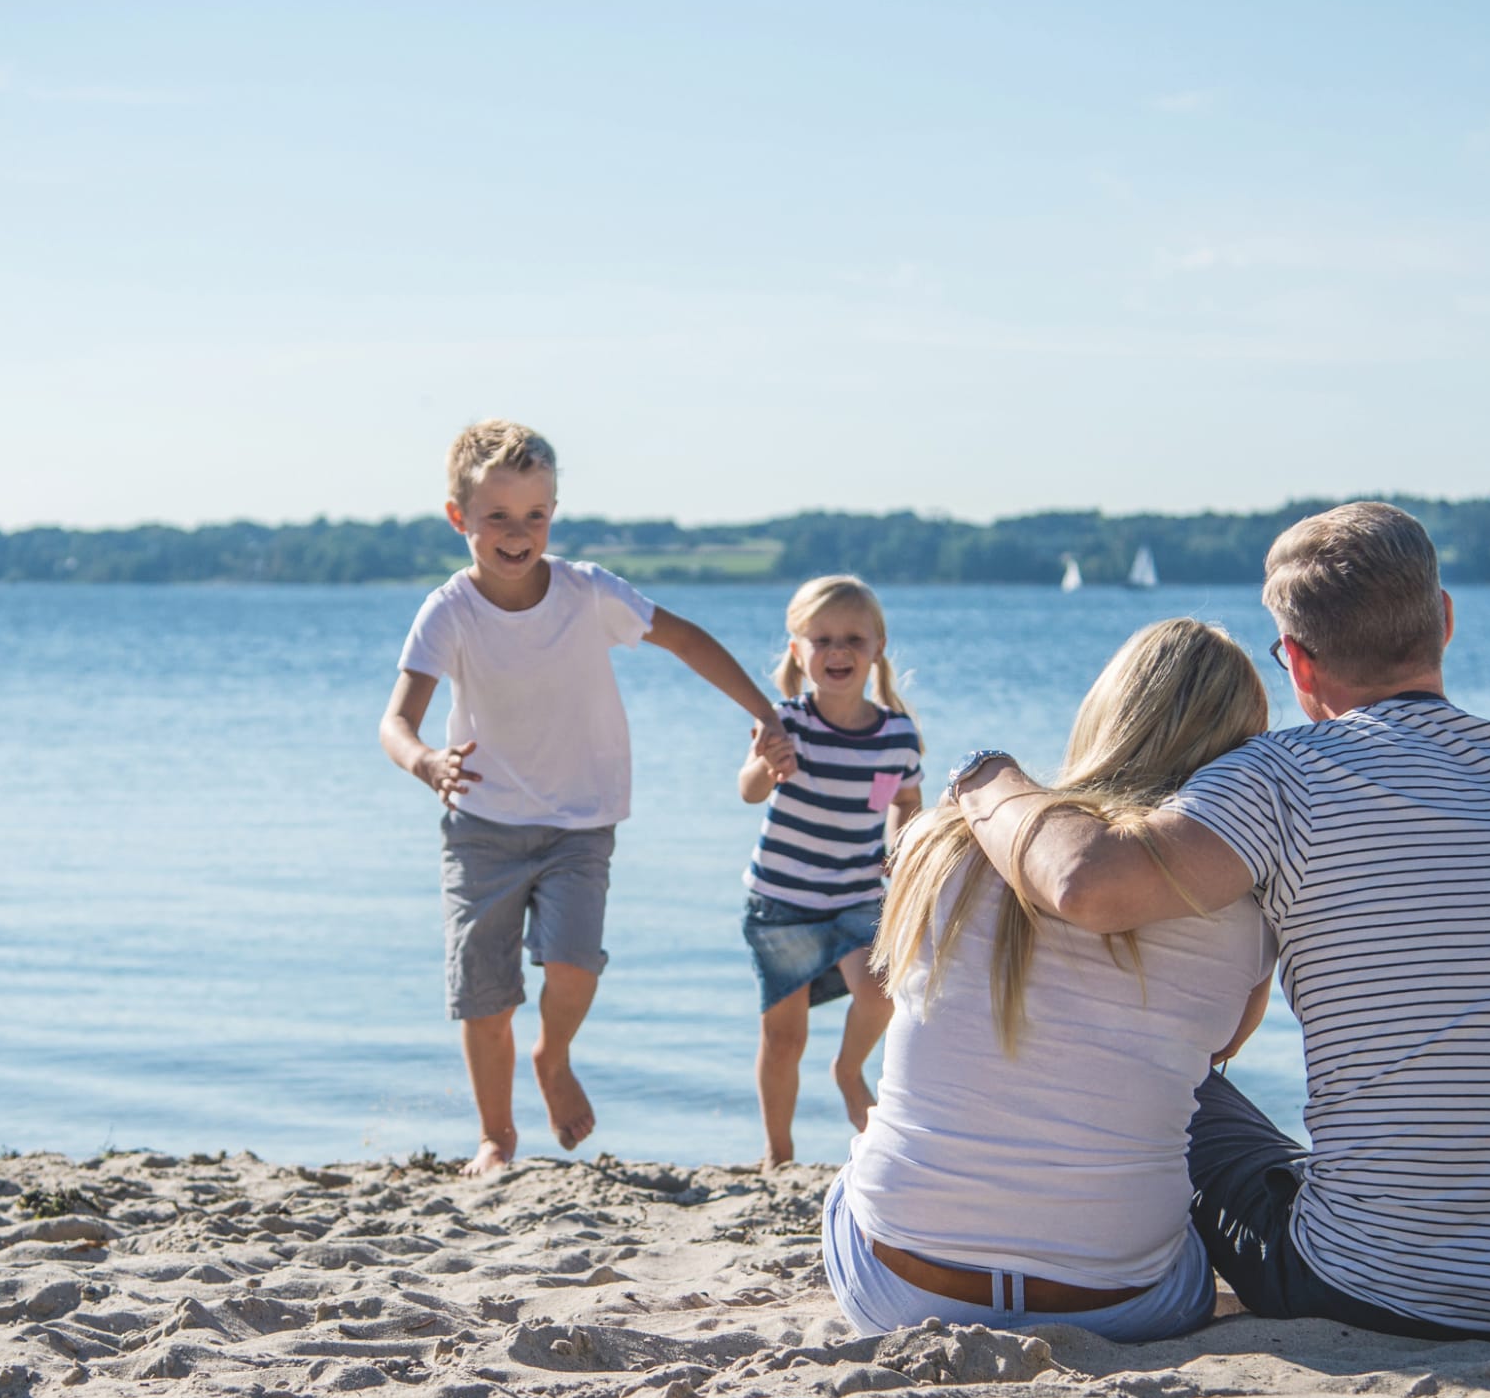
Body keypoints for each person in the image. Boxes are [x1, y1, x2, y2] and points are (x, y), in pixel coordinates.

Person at [954, 502, 1490, 1345]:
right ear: (1444, 621)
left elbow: (1085, 883)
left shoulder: (1278, 780)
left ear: (1297, 664)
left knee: (1184, 1087)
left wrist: (986, 778)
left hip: (1370, 1291)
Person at [824, 619, 1276, 1343]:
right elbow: (1221, 1054)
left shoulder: (939, 847)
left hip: (900, 1289)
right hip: (1120, 1305)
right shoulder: (1244, 916)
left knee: (857, 1177)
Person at [380, 421, 796, 1178]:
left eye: (534, 516)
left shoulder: (587, 592)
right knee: (484, 994)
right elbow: (396, 720)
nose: (517, 534)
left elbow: (687, 640)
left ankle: (555, 1053)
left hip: (580, 822)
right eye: (497, 518)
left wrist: (765, 713)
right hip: (481, 827)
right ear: (458, 519)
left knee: (575, 966)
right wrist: (426, 762)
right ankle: (496, 1139)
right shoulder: (449, 611)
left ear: (554, 514)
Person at [738, 576, 924, 1167]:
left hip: (854, 897)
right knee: (784, 1037)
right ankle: (778, 1150)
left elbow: (905, 802)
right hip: (783, 903)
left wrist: (900, 852)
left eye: (852, 638)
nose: (837, 652)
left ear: (878, 645)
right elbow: (747, 791)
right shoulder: (786, 721)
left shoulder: (897, 734)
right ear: (798, 650)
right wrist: (767, 766)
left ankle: (848, 1070)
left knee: (881, 993)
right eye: (822, 640)